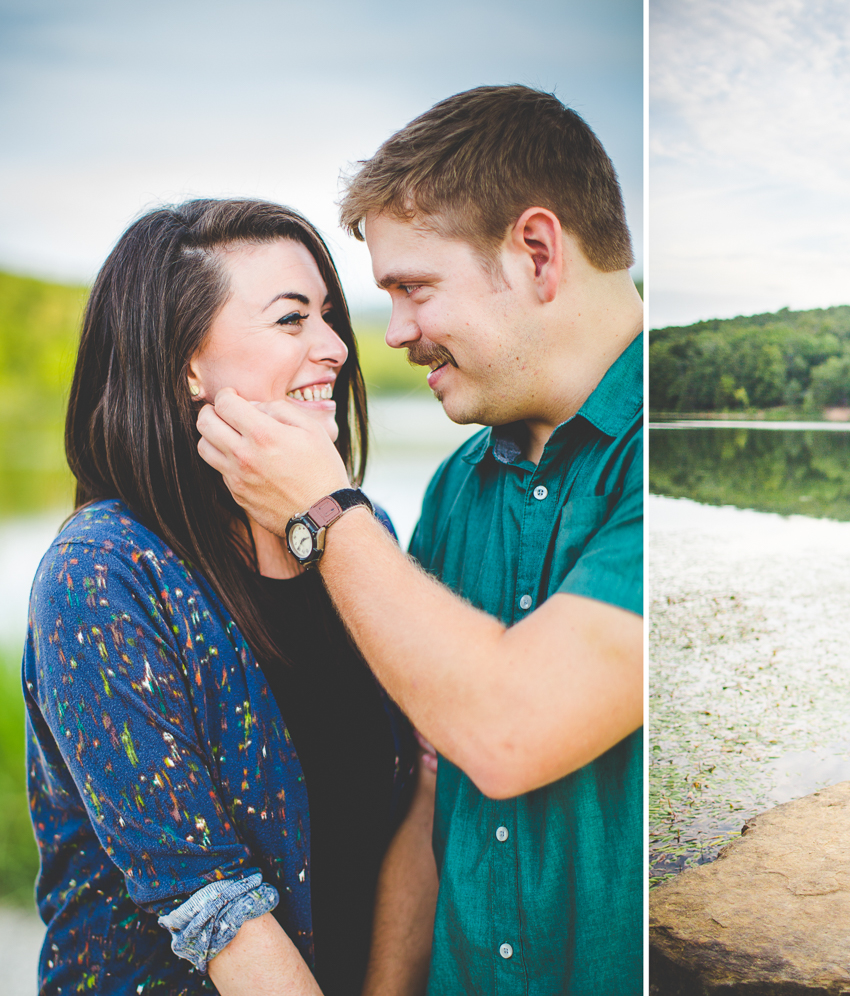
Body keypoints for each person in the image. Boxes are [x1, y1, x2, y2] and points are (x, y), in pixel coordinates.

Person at [196, 85, 643, 994]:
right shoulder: (457, 486)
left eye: (413, 289)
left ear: (536, 254)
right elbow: (435, 790)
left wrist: (324, 510)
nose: (389, 334)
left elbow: (508, 729)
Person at [24, 199, 437, 996]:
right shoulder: (103, 574)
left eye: (329, 316)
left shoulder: (358, 530)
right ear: (187, 362)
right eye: (291, 321)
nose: (336, 348)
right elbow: (217, 910)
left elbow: (417, 790)